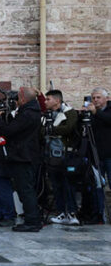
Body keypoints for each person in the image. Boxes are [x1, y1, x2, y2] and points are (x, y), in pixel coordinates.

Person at [0, 87, 43, 232]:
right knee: (24, 190)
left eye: (17, 97)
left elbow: (9, 130)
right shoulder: (28, 111)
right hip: (23, 155)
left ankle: (32, 221)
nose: (15, 100)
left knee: (26, 190)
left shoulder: (28, 114)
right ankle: (32, 220)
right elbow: (14, 127)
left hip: (24, 157)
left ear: (23, 98)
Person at [43, 90, 80, 226]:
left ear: (57, 100)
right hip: (51, 155)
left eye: (48, 99)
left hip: (67, 154)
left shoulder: (70, 113)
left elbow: (68, 128)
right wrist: (50, 129)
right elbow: (42, 130)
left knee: (68, 184)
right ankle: (61, 213)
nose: (45, 102)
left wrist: (51, 129)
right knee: (56, 185)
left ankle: (71, 212)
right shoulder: (47, 114)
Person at [82, 87, 111, 224]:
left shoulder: (105, 111)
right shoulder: (91, 114)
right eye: (93, 98)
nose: (95, 100)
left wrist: (96, 112)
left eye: (98, 97)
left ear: (107, 98)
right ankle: (98, 214)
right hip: (96, 155)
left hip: (109, 155)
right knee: (97, 186)